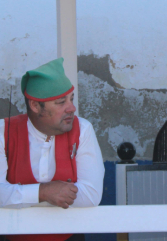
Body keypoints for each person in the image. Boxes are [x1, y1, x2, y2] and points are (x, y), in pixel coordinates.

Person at [0, 58, 105, 241]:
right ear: (35, 105)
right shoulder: (3, 132)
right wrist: (43, 192)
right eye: (60, 102)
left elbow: (91, 195)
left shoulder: (83, 129)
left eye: (71, 99)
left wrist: (18, 198)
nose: (71, 108)